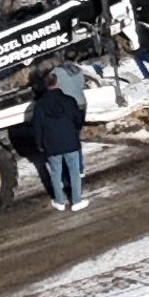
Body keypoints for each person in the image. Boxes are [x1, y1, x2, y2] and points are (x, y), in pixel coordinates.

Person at [28, 64, 91, 213]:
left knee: (55, 173)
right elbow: (77, 119)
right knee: (74, 172)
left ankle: (59, 201)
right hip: (70, 141)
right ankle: (76, 201)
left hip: (51, 144)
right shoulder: (69, 101)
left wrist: (39, 143)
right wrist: (75, 131)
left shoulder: (39, 106)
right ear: (58, 83)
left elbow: (37, 127)